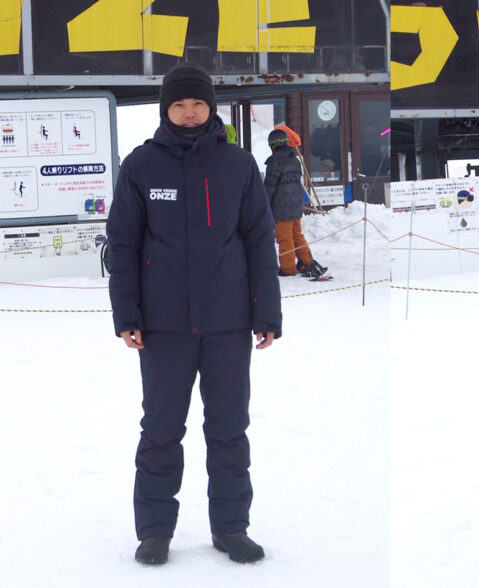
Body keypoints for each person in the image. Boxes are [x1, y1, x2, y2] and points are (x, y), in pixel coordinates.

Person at [107, 62, 282, 566]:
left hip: (228, 323)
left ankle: (231, 528)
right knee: (161, 429)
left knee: (229, 429)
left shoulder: (238, 165)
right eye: (180, 105)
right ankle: (154, 531)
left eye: (198, 104)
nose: (189, 113)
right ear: (166, 110)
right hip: (163, 327)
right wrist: (127, 314)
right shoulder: (141, 165)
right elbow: (123, 244)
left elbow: (259, 241)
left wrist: (266, 313)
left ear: (211, 108)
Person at [264, 129, 326, 278]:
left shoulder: (274, 161)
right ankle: (307, 261)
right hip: (295, 205)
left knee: (284, 238)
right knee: (297, 235)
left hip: (281, 207)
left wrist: (264, 204)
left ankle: (287, 268)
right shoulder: (295, 160)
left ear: (273, 144)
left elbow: (270, 186)